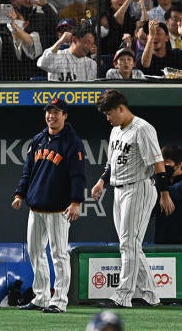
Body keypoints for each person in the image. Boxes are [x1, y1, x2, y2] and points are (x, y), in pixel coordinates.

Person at [91, 90, 175, 308]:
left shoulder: (143, 129)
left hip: (139, 188)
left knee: (128, 243)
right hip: (119, 190)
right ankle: (150, 294)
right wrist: (101, 181)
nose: (107, 118)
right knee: (130, 245)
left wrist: (164, 193)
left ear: (121, 108)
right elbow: (111, 163)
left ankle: (124, 295)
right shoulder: (116, 131)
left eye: (109, 113)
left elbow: (158, 164)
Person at [12, 98, 85, 314]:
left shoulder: (72, 142)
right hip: (36, 208)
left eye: (56, 112)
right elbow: (28, 171)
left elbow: (78, 176)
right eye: (48, 112)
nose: (51, 116)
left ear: (65, 115)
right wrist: (20, 193)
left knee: (59, 255)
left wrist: (76, 202)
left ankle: (59, 300)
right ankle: (42, 296)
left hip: (59, 209)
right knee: (35, 252)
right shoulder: (38, 139)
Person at [155, 145, 182, 244]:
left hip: (179, 245)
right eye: (161, 163)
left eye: (166, 163)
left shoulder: (163, 186)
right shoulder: (163, 183)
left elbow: (175, 191)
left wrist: (159, 186)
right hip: (161, 242)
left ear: (178, 165)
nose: (162, 168)